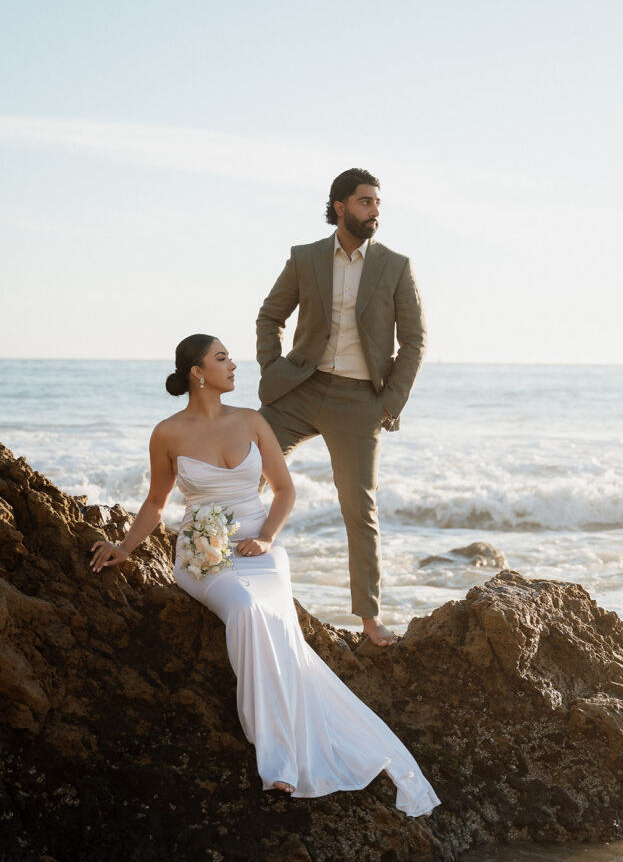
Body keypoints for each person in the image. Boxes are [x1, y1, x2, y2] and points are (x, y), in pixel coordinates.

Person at [90, 334, 439, 815]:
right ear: (197, 371)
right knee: (247, 608)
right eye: (221, 358)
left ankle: (284, 748)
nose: (233, 365)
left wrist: (268, 539)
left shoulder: (252, 421)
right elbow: (156, 502)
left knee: (269, 615)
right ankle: (275, 758)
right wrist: (125, 547)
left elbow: (284, 490)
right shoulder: (167, 433)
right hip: (204, 554)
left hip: (263, 548)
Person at [256, 169, 427, 648]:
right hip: (300, 389)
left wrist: (389, 402)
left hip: (360, 401)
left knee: (359, 508)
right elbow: (270, 316)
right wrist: (273, 370)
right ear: (340, 207)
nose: (375, 210)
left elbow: (414, 340)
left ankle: (370, 621)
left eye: (378, 203)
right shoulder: (305, 257)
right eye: (366, 202)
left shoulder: (395, 265)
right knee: (244, 465)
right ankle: (226, 568)